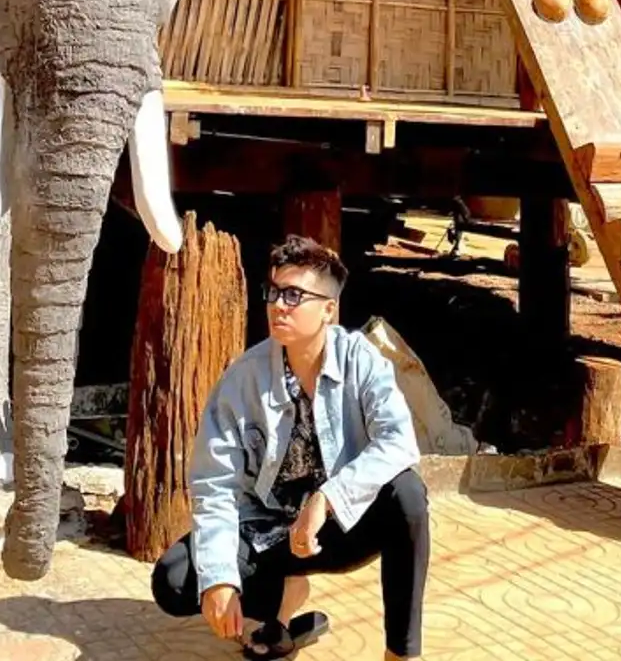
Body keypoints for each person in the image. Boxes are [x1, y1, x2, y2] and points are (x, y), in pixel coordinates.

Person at [151, 233, 429, 661]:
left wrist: (327, 499)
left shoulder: (362, 360)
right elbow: (215, 484)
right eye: (274, 292)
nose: (279, 304)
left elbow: (398, 441)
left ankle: (401, 653)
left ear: (329, 310)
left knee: (407, 494)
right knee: (176, 579)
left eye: (295, 295)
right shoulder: (242, 379)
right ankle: (278, 601)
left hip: (333, 529)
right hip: (266, 533)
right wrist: (221, 578)